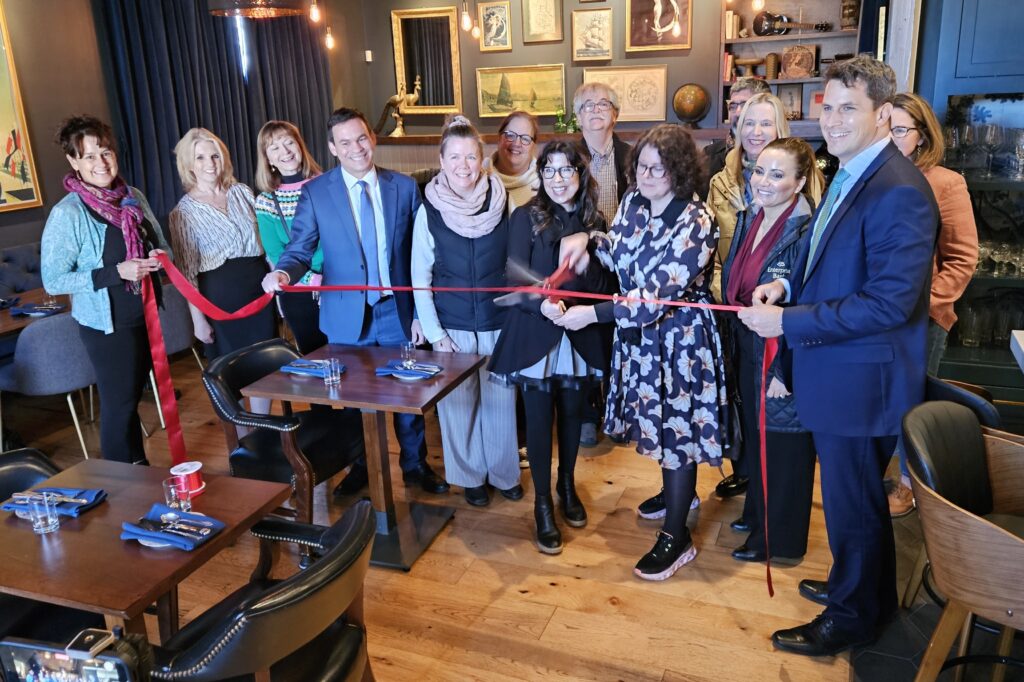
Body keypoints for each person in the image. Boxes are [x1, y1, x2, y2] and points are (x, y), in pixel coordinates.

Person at [738, 56, 937, 656]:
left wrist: (787, 321)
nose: (833, 119)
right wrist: (786, 285)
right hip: (841, 371)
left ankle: (851, 620)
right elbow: (828, 258)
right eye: (828, 107)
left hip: (862, 380)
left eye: (849, 108)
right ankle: (864, 592)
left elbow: (889, 303)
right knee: (857, 502)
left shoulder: (899, 189)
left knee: (853, 505)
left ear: (884, 113)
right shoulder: (852, 172)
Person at [559, 124, 728, 580]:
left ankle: (677, 537)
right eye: (642, 167)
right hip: (640, 340)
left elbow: (656, 296)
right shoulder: (633, 202)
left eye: (659, 168)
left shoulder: (697, 220)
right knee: (659, 424)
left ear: (680, 170)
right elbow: (620, 255)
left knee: (678, 432)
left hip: (680, 342)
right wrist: (590, 242)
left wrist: (593, 315)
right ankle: (679, 495)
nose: (647, 176)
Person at [262, 107, 447, 496]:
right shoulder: (316, 192)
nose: (356, 148)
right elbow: (299, 249)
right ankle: (360, 466)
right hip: (346, 317)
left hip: (396, 312)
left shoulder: (403, 187)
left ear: (372, 138)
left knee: (408, 392)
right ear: (332, 148)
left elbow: (419, 255)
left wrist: (419, 312)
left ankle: (415, 466)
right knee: (351, 402)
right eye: (345, 142)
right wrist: (283, 273)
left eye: (361, 138)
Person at [490, 140, 612, 553]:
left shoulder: (596, 222)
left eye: (566, 170)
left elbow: (605, 287)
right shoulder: (525, 216)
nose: (558, 179)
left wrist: (588, 257)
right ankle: (542, 503)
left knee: (573, 417)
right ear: (540, 175)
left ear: (581, 173)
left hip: (579, 336)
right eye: (549, 170)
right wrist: (541, 304)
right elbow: (513, 278)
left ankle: (566, 486)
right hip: (535, 335)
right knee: (539, 422)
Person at [41, 115, 171, 465]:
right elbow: (54, 280)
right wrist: (117, 272)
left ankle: (138, 469)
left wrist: (159, 257)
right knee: (120, 405)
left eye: (105, 152)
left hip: (144, 315)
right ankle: (118, 480)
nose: (100, 162)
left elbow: (163, 246)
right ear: (73, 162)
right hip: (107, 327)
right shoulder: (68, 214)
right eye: (88, 156)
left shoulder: (132, 197)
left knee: (131, 401)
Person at [721, 137, 822, 564]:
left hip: (780, 351)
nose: (762, 181)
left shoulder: (806, 230)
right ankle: (757, 514)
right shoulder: (752, 215)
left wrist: (785, 369)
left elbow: (807, 300)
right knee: (758, 437)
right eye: (759, 170)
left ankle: (778, 541)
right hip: (748, 341)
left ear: (798, 183)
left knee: (783, 445)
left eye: (777, 175)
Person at [412, 115, 521, 506]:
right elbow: (419, 276)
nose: (464, 166)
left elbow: (516, 263)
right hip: (451, 327)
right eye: (454, 157)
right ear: (442, 161)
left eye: (471, 157)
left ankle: (504, 473)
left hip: (497, 322)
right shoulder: (428, 210)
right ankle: (470, 477)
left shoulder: (503, 201)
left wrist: (516, 319)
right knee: (457, 406)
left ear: (482, 159)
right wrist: (435, 333)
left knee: (501, 403)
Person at [885, 92, 978, 516]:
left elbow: (962, 258)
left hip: (921, 319)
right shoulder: (875, 176)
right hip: (878, 316)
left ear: (921, 136)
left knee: (914, 403)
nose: (890, 137)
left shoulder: (945, 182)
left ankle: (912, 487)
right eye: (884, 127)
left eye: (900, 129)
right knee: (887, 400)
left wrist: (924, 304)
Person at [703, 93, 790, 507]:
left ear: (779, 129)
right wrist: (727, 296)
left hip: (773, 310)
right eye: (748, 123)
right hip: (728, 305)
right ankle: (744, 470)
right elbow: (711, 248)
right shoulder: (720, 180)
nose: (756, 131)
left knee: (767, 399)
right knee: (735, 391)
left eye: (765, 123)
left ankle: (768, 489)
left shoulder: (798, 173)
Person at [169, 128, 276, 372]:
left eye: (215, 155)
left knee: (268, 365)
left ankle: (263, 402)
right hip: (219, 299)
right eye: (200, 157)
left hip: (259, 289)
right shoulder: (182, 213)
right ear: (189, 165)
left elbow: (266, 244)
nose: (210, 163)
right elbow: (187, 274)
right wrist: (198, 320)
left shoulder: (243, 192)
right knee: (233, 369)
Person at [572, 81, 631, 447]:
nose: (595, 110)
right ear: (578, 118)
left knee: (621, 336)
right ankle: (587, 413)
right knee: (587, 336)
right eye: (587, 105)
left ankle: (620, 412)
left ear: (615, 114)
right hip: (583, 261)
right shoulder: (567, 156)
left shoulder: (632, 156)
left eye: (603, 104)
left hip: (625, 261)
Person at [254, 120, 327, 355]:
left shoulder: (326, 185)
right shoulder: (266, 201)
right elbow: (276, 253)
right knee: (316, 358)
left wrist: (328, 279)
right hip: (298, 291)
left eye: (289, 142)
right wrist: (312, 280)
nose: (285, 151)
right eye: (274, 148)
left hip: (336, 284)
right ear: (268, 159)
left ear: (300, 145)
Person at [702, 77, 772, 182]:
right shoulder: (710, 155)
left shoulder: (789, 156)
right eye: (733, 106)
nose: (738, 112)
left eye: (745, 105)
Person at [489, 110, 540, 212]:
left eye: (525, 138)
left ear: (533, 146)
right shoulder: (478, 177)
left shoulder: (546, 184)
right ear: (499, 138)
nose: (516, 143)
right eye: (510, 135)